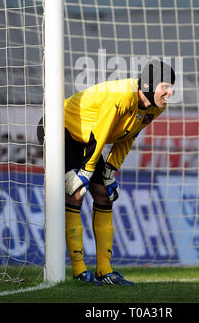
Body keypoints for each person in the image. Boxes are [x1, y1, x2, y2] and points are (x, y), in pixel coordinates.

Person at [37, 60, 175, 285]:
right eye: (166, 86)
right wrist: (86, 171)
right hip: (59, 129)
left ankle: (105, 270)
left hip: (87, 140)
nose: (170, 92)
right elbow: (100, 133)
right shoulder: (122, 96)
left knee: (103, 194)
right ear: (149, 84)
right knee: (76, 192)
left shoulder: (155, 107)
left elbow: (128, 136)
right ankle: (80, 271)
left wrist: (111, 169)